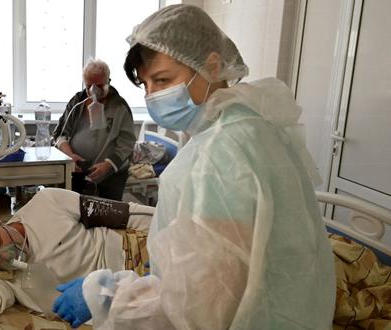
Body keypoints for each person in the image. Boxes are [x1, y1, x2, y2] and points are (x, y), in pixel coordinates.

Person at [52, 4, 336, 329]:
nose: (152, 96)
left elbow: (200, 304)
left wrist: (107, 297)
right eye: (145, 85)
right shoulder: (254, 127)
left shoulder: (222, 152)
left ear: (211, 66)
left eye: (162, 80)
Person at [0, 188, 153, 316]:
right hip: (129, 298)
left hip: (142, 248)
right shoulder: (7, 281)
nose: (4, 255)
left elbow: (124, 214)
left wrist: (178, 225)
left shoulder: (47, 203)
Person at [53, 59, 136, 201]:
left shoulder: (119, 107)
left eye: (99, 86)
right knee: (75, 210)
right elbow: (60, 134)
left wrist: (109, 165)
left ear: (108, 81)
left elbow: (127, 143)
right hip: (77, 171)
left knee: (108, 215)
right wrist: (70, 156)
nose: (93, 91)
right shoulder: (77, 102)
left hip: (111, 175)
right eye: (88, 86)